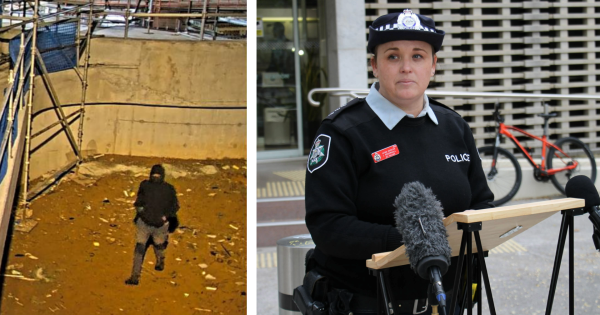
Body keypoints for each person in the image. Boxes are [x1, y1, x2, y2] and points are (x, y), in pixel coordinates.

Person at [304, 9, 494, 315]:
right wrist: (413, 239)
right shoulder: (342, 133)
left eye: (418, 56)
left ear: (433, 65)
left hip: (448, 302)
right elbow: (327, 226)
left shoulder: (454, 126)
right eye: (393, 57)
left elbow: (481, 203)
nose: (406, 68)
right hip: (366, 304)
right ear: (375, 65)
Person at [125, 164, 180, 285]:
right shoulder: (167, 188)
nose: (155, 177)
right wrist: (165, 217)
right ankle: (135, 276)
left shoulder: (149, 185)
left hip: (151, 223)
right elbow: (175, 207)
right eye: (154, 175)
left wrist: (141, 212)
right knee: (143, 247)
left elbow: (139, 203)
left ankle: (160, 261)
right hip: (153, 224)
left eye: (157, 175)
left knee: (155, 245)